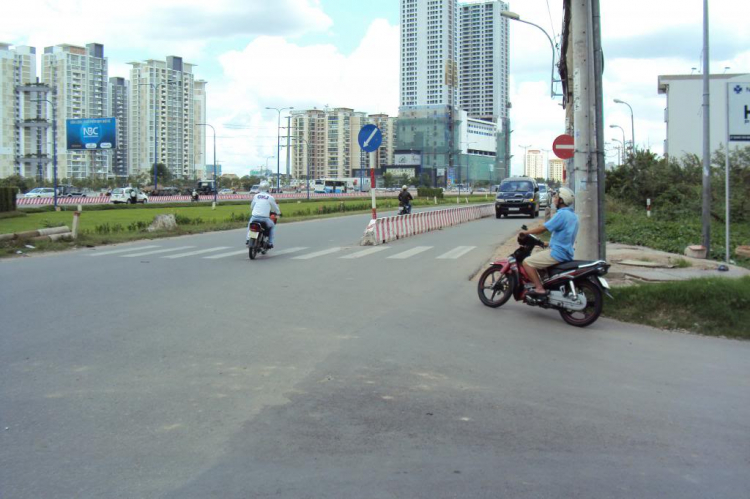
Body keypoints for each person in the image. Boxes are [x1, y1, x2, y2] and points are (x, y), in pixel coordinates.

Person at [519, 187, 578, 297]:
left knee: (527, 262)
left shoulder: (562, 214)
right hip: (566, 251)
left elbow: (543, 228)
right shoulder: (574, 216)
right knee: (538, 258)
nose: (554, 199)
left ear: (561, 200)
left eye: (556, 197)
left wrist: (526, 233)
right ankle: (547, 286)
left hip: (557, 253)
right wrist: (547, 243)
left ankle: (539, 288)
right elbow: (565, 235)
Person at [247, 181, 281, 248]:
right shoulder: (270, 197)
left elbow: (251, 206)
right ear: (268, 188)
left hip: (254, 217)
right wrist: (279, 213)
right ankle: (270, 242)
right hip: (264, 218)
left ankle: (248, 239)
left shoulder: (256, 196)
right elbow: (275, 207)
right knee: (272, 226)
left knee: (249, 226)